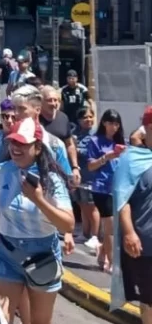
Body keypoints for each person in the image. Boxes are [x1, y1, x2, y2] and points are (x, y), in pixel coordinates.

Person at [0, 118, 75, 324]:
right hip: (7, 253)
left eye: (23, 144)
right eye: (12, 143)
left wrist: (39, 199)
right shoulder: (0, 172)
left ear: (38, 147)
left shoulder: (52, 179)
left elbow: (67, 223)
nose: (16, 148)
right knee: (0, 322)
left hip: (43, 257)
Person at [116, 112, 152, 324]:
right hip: (145, 242)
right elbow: (122, 199)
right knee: (150, 299)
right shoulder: (132, 159)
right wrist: (128, 232)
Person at [85, 109, 126, 273]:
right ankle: (112, 262)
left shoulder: (121, 141)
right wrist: (106, 157)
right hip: (101, 188)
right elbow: (90, 166)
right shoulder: (95, 141)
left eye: (116, 124)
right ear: (104, 123)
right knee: (110, 227)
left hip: (117, 187)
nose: (113, 127)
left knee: (115, 226)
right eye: (110, 123)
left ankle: (102, 252)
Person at [74, 106, 100, 251]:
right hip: (79, 176)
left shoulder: (95, 136)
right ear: (79, 120)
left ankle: (95, 236)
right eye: (85, 117)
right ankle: (85, 233)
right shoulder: (76, 133)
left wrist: (77, 150)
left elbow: (92, 154)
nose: (88, 120)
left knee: (91, 207)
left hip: (91, 177)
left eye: (90, 117)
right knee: (82, 205)